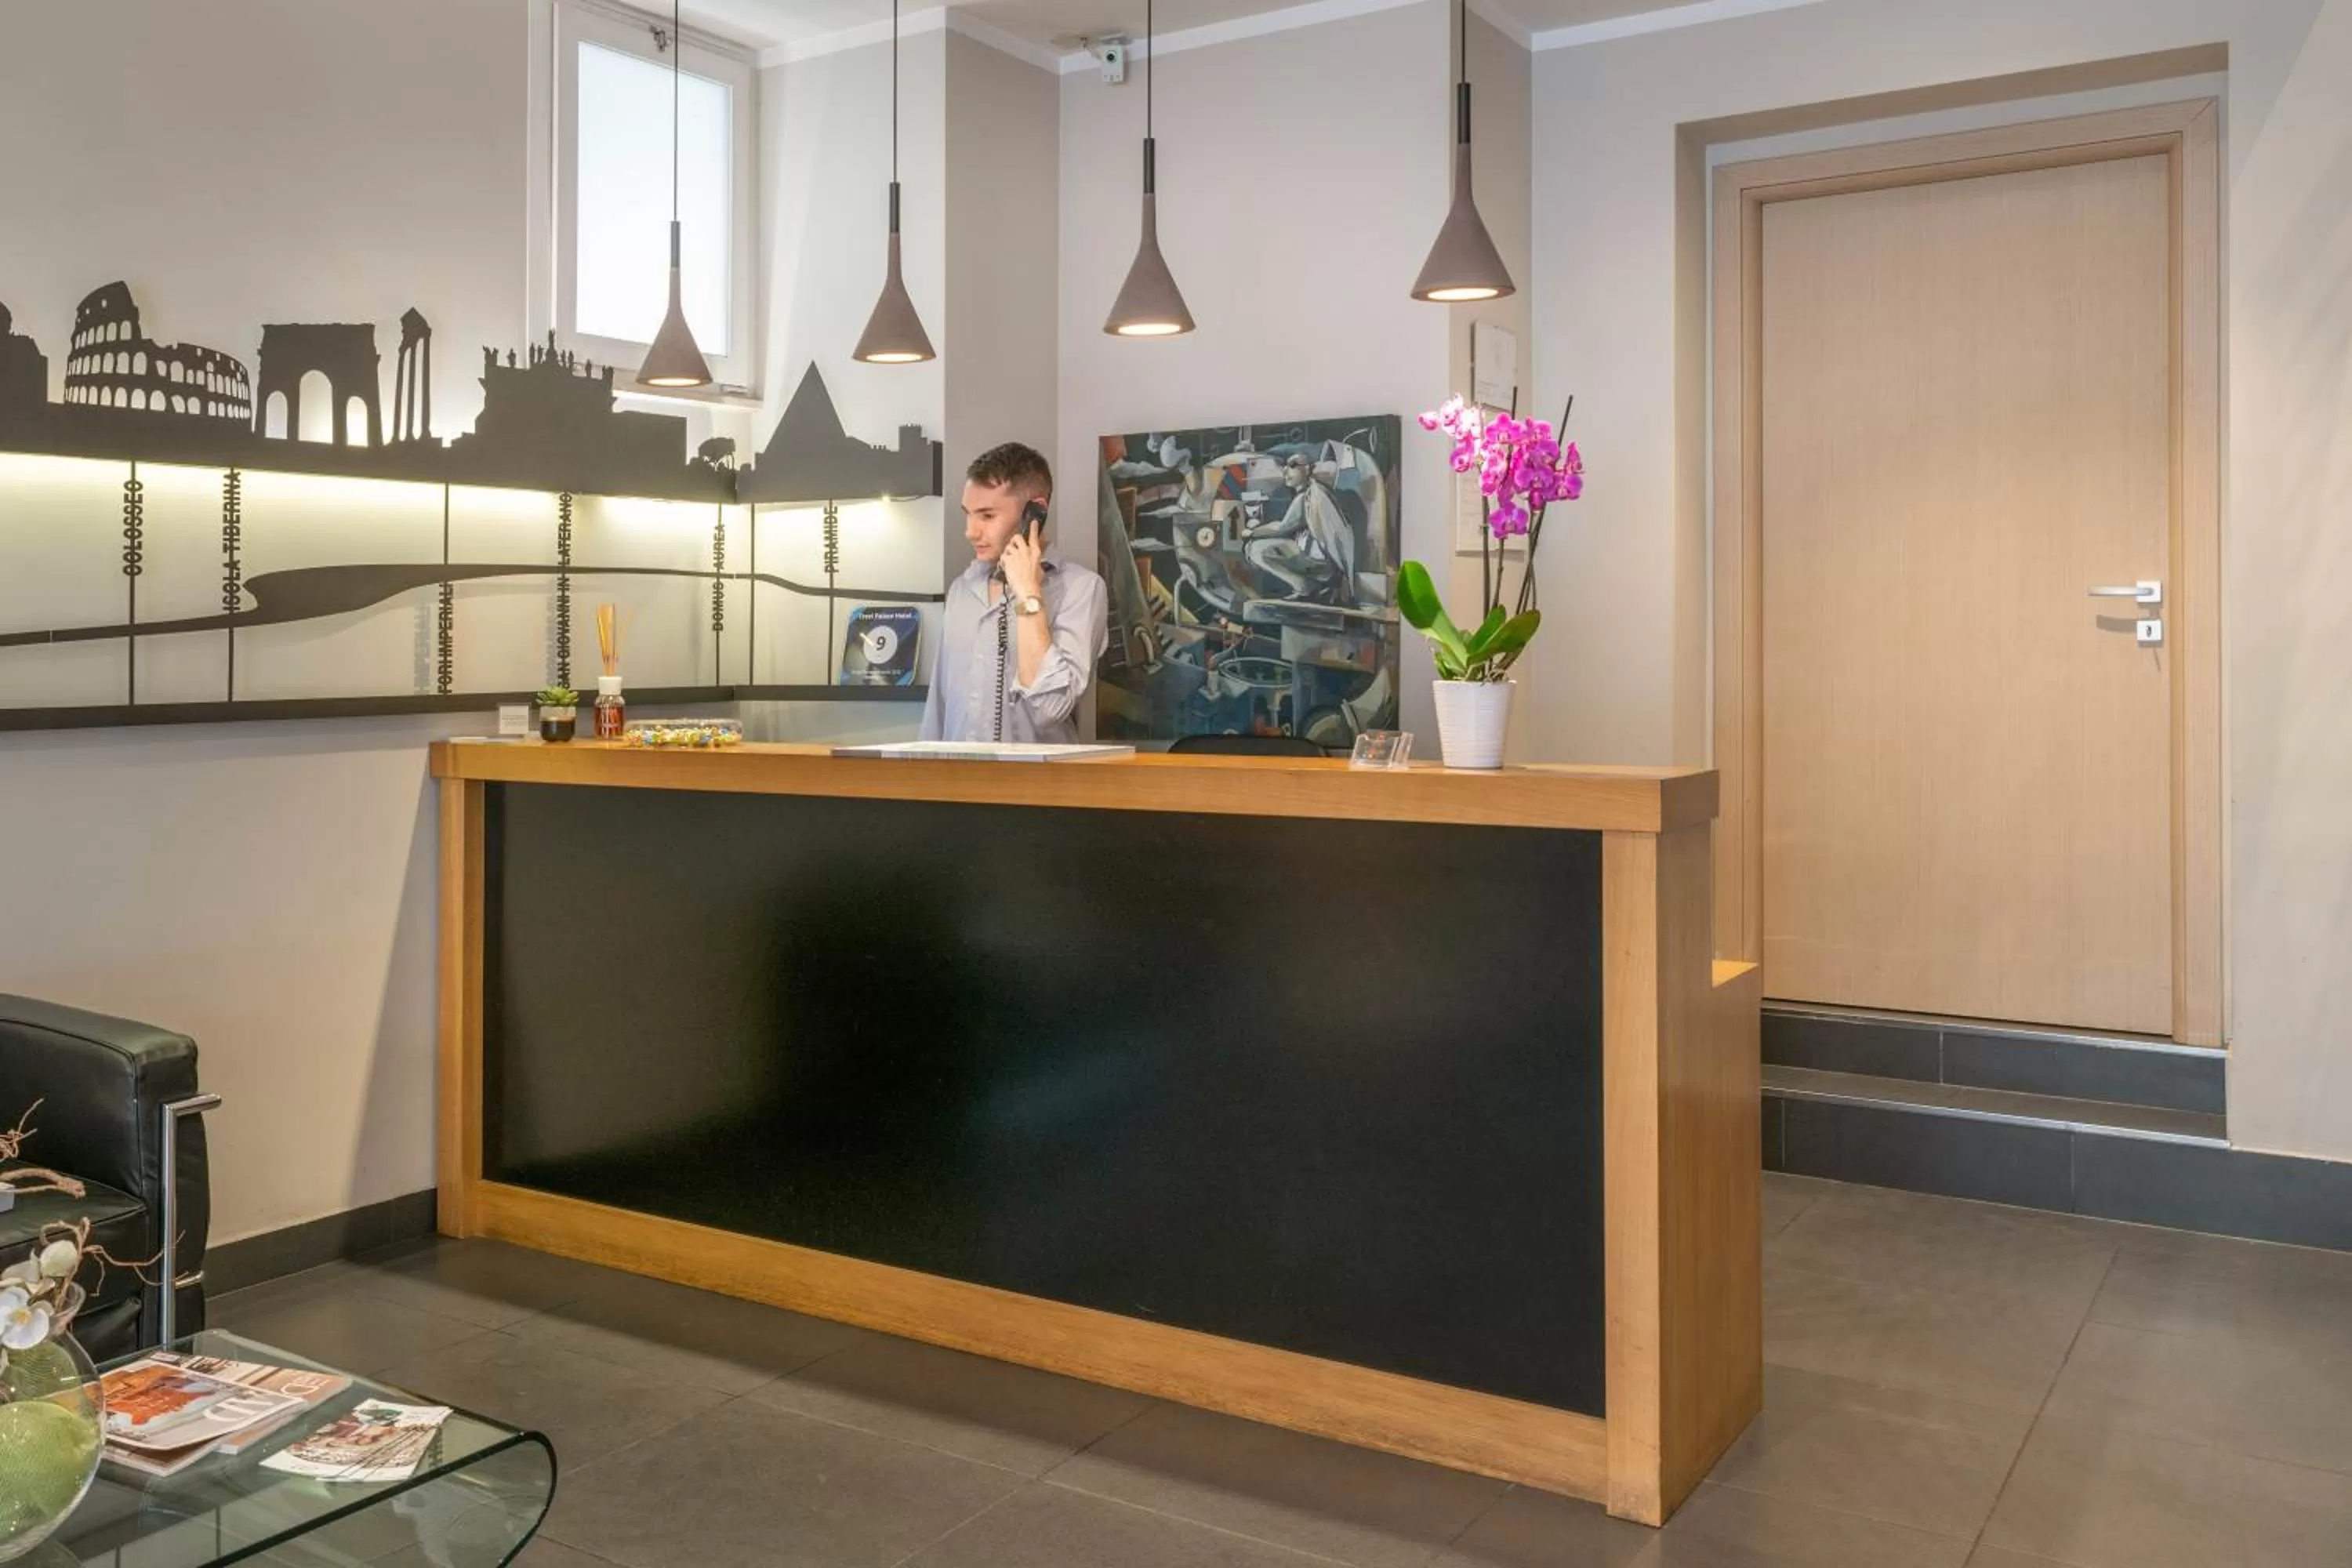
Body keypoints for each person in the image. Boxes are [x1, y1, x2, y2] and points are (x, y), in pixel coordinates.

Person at [920, 442, 1109, 744]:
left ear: (1035, 513)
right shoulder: (962, 590)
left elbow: (1050, 708)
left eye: (987, 515)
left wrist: (1028, 595)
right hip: (956, 786)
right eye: (968, 514)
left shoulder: (1082, 590)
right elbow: (938, 713)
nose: (971, 531)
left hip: (1037, 787)